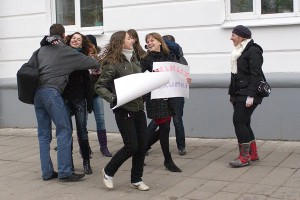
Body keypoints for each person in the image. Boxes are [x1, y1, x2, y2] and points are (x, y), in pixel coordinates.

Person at [34, 24, 99, 181]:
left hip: (37, 94)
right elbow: (93, 64)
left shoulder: (40, 50)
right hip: (51, 93)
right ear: (63, 36)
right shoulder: (65, 50)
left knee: (43, 135)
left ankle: (47, 172)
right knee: (64, 130)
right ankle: (65, 171)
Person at [95, 31, 149, 191]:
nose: (132, 40)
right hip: (123, 109)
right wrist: (113, 98)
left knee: (142, 145)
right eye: (128, 38)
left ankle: (137, 179)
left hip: (139, 108)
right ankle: (108, 171)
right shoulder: (112, 63)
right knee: (131, 146)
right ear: (120, 42)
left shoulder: (135, 59)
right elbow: (99, 86)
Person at [140, 32, 182, 172]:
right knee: (164, 127)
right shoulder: (145, 59)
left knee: (165, 128)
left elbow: (176, 74)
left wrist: (185, 79)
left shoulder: (168, 56)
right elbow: (142, 80)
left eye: (152, 40)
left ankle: (142, 149)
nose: (150, 42)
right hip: (155, 98)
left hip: (169, 97)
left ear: (159, 42)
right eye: (148, 41)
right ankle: (168, 160)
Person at [147, 34, 189, 156]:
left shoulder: (177, 57)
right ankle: (145, 144)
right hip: (165, 94)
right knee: (159, 121)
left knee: (176, 120)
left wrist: (186, 80)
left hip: (175, 93)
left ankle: (181, 146)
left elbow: (184, 75)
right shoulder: (160, 58)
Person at [228, 25, 263, 167]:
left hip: (249, 92)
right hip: (238, 92)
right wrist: (232, 94)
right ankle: (252, 154)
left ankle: (245, 157)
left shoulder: (253, 51)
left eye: (233, 35)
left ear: (241, 37)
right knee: (245, 123)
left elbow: (256, 75)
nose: (231, 38)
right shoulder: (238, 51)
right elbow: (235, 76)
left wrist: (251, 96)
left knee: (239, 122)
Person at [63, 32, 95, 174]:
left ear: (82, 44)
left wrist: (90, 101)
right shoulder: (62, 56)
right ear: (69, 41)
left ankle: (86, 162)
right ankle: (68, 162)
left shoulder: (83, 58)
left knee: (82, 132)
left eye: (78, 39)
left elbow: (87, 82)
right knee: (66, 132)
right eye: (73, 38)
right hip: (64, 100)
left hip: (80, 99)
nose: (75, 40)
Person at [86, 34, 112, 157]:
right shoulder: (80, 57)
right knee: (83, 123)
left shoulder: (100, 58)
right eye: (87, 45)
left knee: (100, 120)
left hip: (96, 93)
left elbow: (104, 74)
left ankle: (104, 147)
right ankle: (85, 148)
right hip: (84, 94)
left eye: (91, 44)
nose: (90, 47)